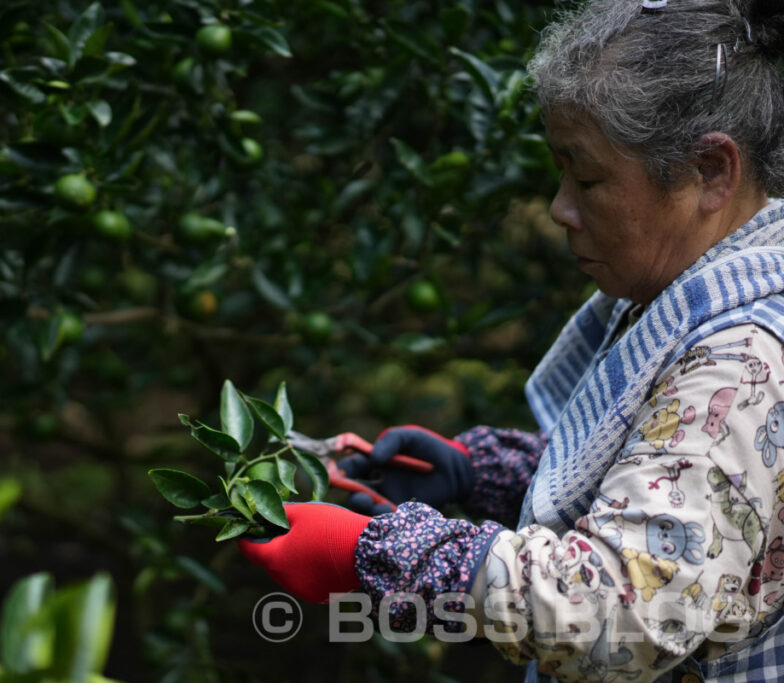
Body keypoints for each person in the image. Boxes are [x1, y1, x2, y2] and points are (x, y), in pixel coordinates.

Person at [238, 1, 784, 680]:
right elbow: (678, 489)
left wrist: (381, 552)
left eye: (587, 178)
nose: (561, 207)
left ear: (710, 171)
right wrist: (488, 475)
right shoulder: (694, 299)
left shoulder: (744, 360)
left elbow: (620, 613)